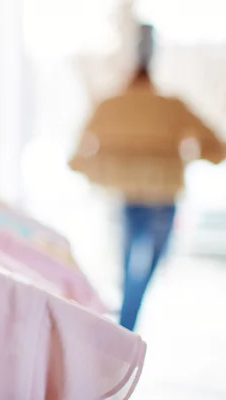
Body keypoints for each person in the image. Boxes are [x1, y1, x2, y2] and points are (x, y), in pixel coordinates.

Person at [69, 24, 225, 331]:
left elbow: (78, 159)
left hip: (134, 198)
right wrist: (178, 155)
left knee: (133, 271)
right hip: (159, 199)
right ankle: (126, 326)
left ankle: (124, 325)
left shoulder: (112, 106)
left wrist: (113, 168)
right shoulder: (170, 107)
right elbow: (217, 148)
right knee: (141, 271)